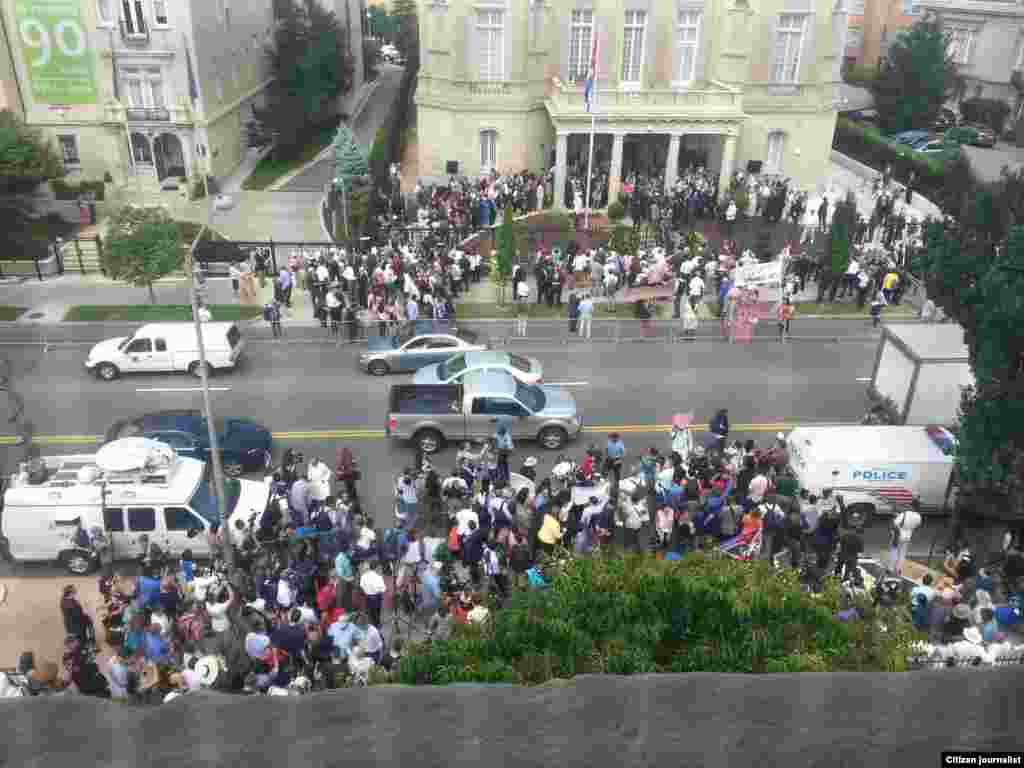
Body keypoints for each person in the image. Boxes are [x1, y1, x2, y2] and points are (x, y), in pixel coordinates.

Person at [888, 501, 922, 576]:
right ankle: (898, 569)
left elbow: (895, 523)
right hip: (908, 536)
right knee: (902, 553)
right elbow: (917, 526)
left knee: (894, 551)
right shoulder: (918, 516)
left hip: (898, 535)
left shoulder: (905, 514)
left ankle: (890, 568)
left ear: (911, 506)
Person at [359, 560, 386, 628]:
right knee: (377, 612)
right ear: (376, 568)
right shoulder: (378, 576)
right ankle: (377, 625)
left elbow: (361, 585)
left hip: (367, 596)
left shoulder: (364, 575)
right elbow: (383, 589)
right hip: (377, 596)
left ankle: (371, 625)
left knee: (370, 612)